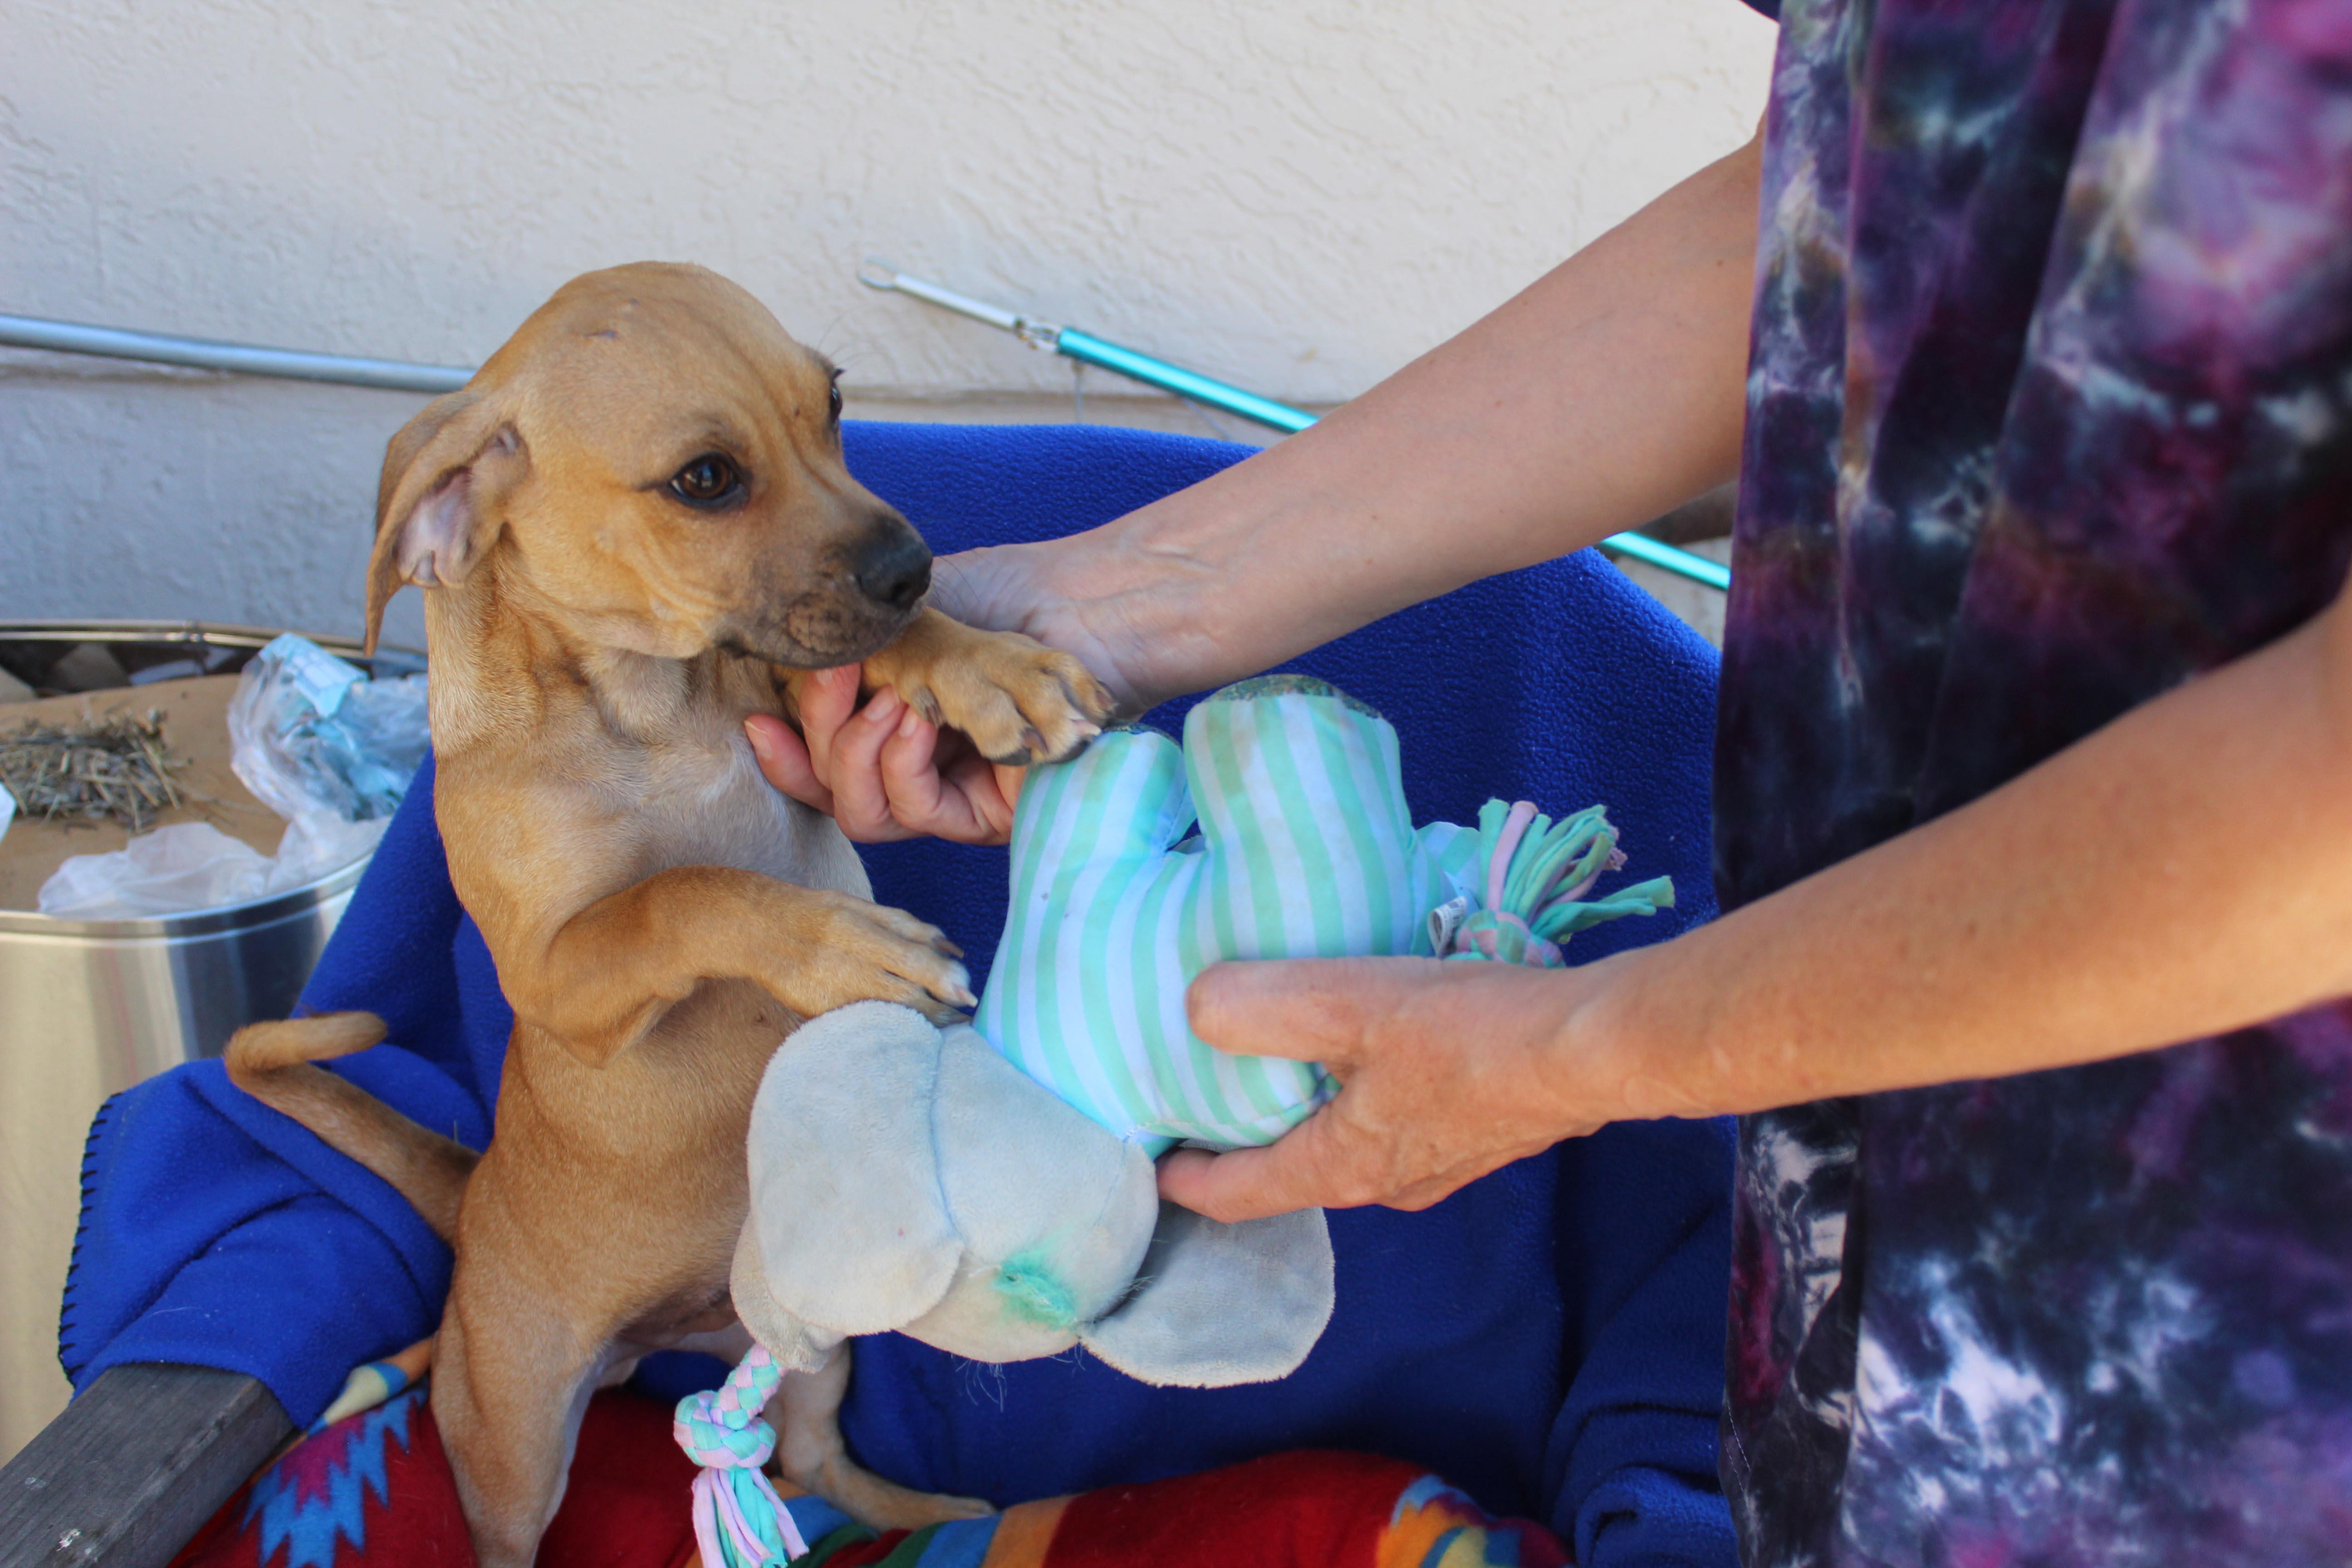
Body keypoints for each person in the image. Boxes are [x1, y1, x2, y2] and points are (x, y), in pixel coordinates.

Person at [751, 0, 2352, 1560]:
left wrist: (1580, 1045)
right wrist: (1115, 609)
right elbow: (1866, 198)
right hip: (1867, 1221)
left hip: (2241, 1363)